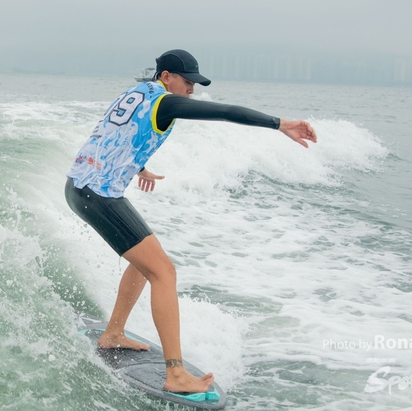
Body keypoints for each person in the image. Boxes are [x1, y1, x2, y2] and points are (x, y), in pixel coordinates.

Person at [65, 49, 317, 393]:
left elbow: (115, 133)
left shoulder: (136, 93)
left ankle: (113, 334)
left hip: (81, 186)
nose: (191, 90)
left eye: (195, 84)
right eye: (187, 82)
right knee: (164, 273)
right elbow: (226, 112)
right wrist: (281, 124)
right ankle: (176, 374)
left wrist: (138, 166)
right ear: (166, 76)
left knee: (144, 263)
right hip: (98, 194)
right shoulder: (165, 102)